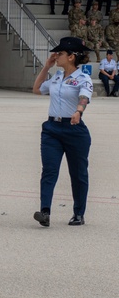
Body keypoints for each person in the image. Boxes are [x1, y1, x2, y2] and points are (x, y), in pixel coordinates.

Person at [32, 37, 93, 227]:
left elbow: (84, 96)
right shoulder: (56, 76)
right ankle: (45, 212)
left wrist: (78, 111)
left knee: (78, 173)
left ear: (72, 57)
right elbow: (36, 90)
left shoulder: (83, 78)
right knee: (49, 170)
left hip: (74, 129)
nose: (56, 56)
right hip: (52, 129)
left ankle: (78, 213)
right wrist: (46, 67)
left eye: (60, 54)